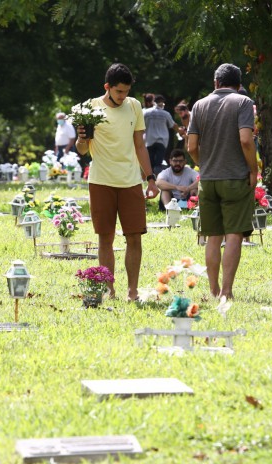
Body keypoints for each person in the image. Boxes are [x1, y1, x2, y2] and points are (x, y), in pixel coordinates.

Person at [75, 63, 159, 301]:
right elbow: (82, 149)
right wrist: (82, 138)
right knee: (105, 237)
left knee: (134, 237)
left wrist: (150, 179)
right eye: (119, 92)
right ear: (107, 87)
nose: (123, 96)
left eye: (126, 91)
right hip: (101, 181)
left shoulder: (134, 106)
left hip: (131, 181)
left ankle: (132, 290)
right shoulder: (90, 107)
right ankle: (108, 288)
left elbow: (140, 146)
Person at [187, 63, 258, 300]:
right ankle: (227, 291)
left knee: (213, 237)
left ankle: (213, 289)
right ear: (239, 85)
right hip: (236, 178)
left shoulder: (199, 105)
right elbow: (246, 140)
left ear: (215, 82)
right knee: (234, 234)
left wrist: (204, 164)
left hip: (208, 180)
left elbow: (191, 147)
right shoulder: (243, 102)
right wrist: (253, 169)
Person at [143, 95, 181, 176]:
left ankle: (150, 178)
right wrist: (180, 132)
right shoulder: (165, 114)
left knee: (150, 162)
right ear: (162, 103)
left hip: (149, 140)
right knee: (158, 163)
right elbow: (173, 125)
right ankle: (158, 179)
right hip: (162, 141)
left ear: (154, 102)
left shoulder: (146, 112)